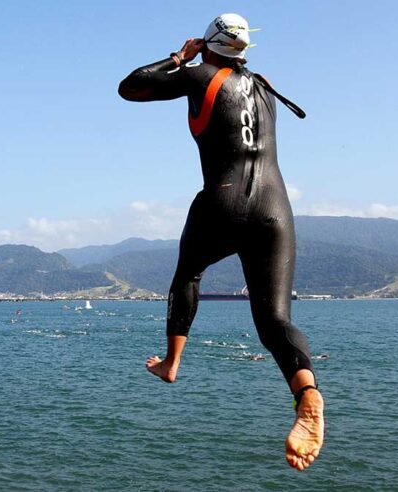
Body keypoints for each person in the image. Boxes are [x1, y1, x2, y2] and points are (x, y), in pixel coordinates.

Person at [118, 13, 324, 470]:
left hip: (223, 201)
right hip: (275, 209)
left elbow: (130, 86)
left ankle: (171, 364)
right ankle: (307, 393)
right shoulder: (266, 84)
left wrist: (180, 56)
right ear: (247, 49)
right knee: (274, 319)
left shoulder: (199, 74)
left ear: (209, 44)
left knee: (188, 272)